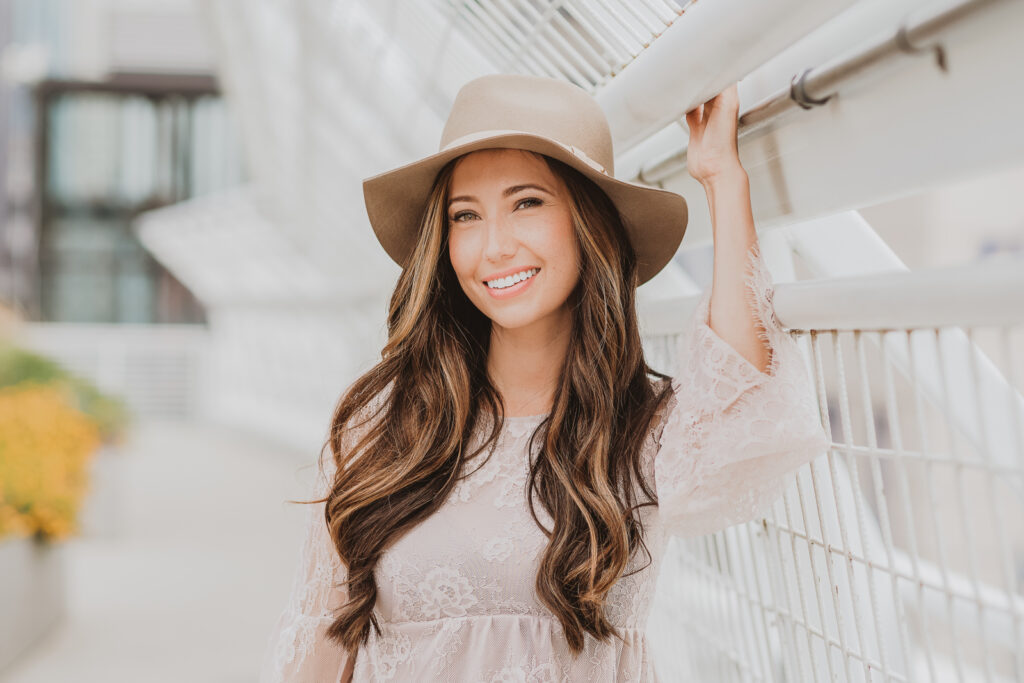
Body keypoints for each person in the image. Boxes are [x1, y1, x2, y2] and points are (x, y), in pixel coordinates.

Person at [258, 73, 829, 682]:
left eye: (526, 203)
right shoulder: (385, 431)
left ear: (589, 222)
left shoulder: (644, 431)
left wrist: (722, 177)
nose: (494, 247)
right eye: (466, 216)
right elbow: (318, 650)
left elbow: (746, 398)